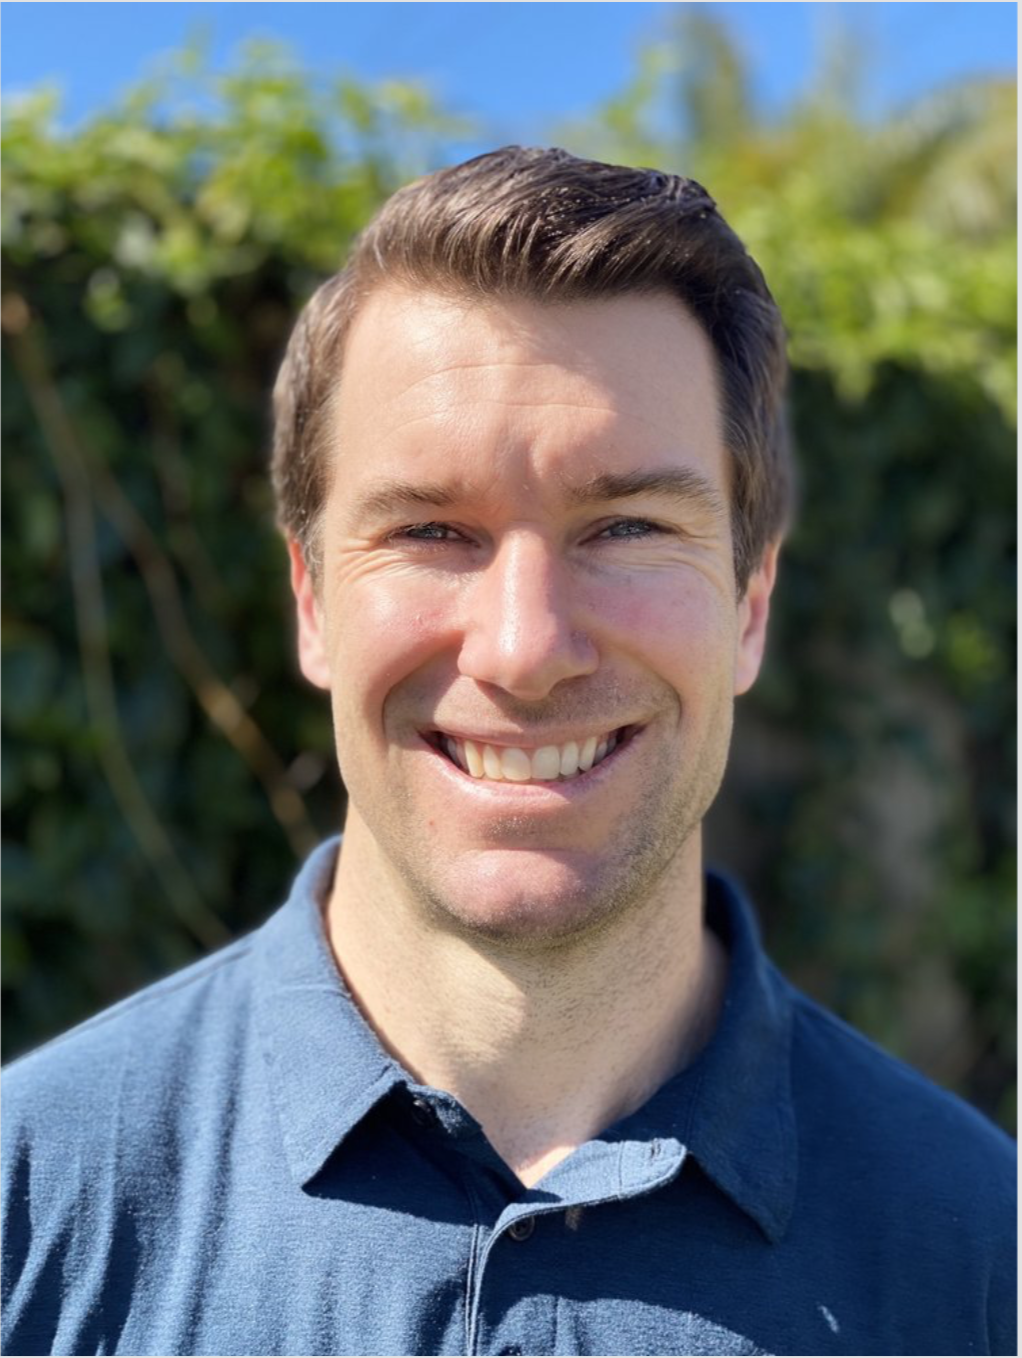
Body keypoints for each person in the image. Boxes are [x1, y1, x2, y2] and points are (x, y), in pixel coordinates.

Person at [1, 147, 1015, 1358]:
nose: (524, 649)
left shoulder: (981, 1258)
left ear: (748, 605)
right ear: (312, 602)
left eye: (625, 525)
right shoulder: (27, 1209)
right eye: (431, 529)